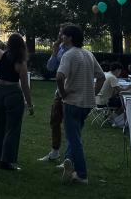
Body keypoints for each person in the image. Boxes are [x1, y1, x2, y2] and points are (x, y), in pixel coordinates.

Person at [56, 24, 105, 184]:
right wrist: (94, 92)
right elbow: (101, 76)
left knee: (74, 139)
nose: (61, 37)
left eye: (63, 35)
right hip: (87, 104)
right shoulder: (88, 54)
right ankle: (69, 160)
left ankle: (82, 174)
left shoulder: (69, 55)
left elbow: (59, 76)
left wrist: (63, 93)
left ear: (70, 37)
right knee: (75, 135)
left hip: (72, 103)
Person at [0, 33, 34, 171]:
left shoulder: (0, 55)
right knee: (12, 129)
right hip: (13, 94)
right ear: (21, 46)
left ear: (9, 44)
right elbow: (25, 86)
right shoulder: (20, 63)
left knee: (0, 126)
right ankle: (6, 161)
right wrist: (30, 105)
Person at [38, 25, 68, 163]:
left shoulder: (74, 51)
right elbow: (50, 67)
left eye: (61, 33)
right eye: (59, 32)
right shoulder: (60, 48)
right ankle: (55, 152)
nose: (59, 35)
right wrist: (54, 52)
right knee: (55, 120)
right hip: (59, 91)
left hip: (71, 91)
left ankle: (70, 158)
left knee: (70, 125)